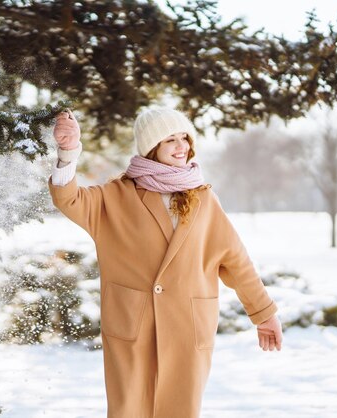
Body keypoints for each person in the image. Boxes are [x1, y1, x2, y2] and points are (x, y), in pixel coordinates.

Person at [48, 107, 283, 418]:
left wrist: (264, 313)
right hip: (132, 324)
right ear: (151, 147)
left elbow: (236, 260)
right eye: (170, 139)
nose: (181, 145)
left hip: (188, 324)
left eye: (184, 137)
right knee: (129, 410)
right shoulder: (116, 195)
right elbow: (70, 199)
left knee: (180, 410)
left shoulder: (204, 200)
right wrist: (68, 153)